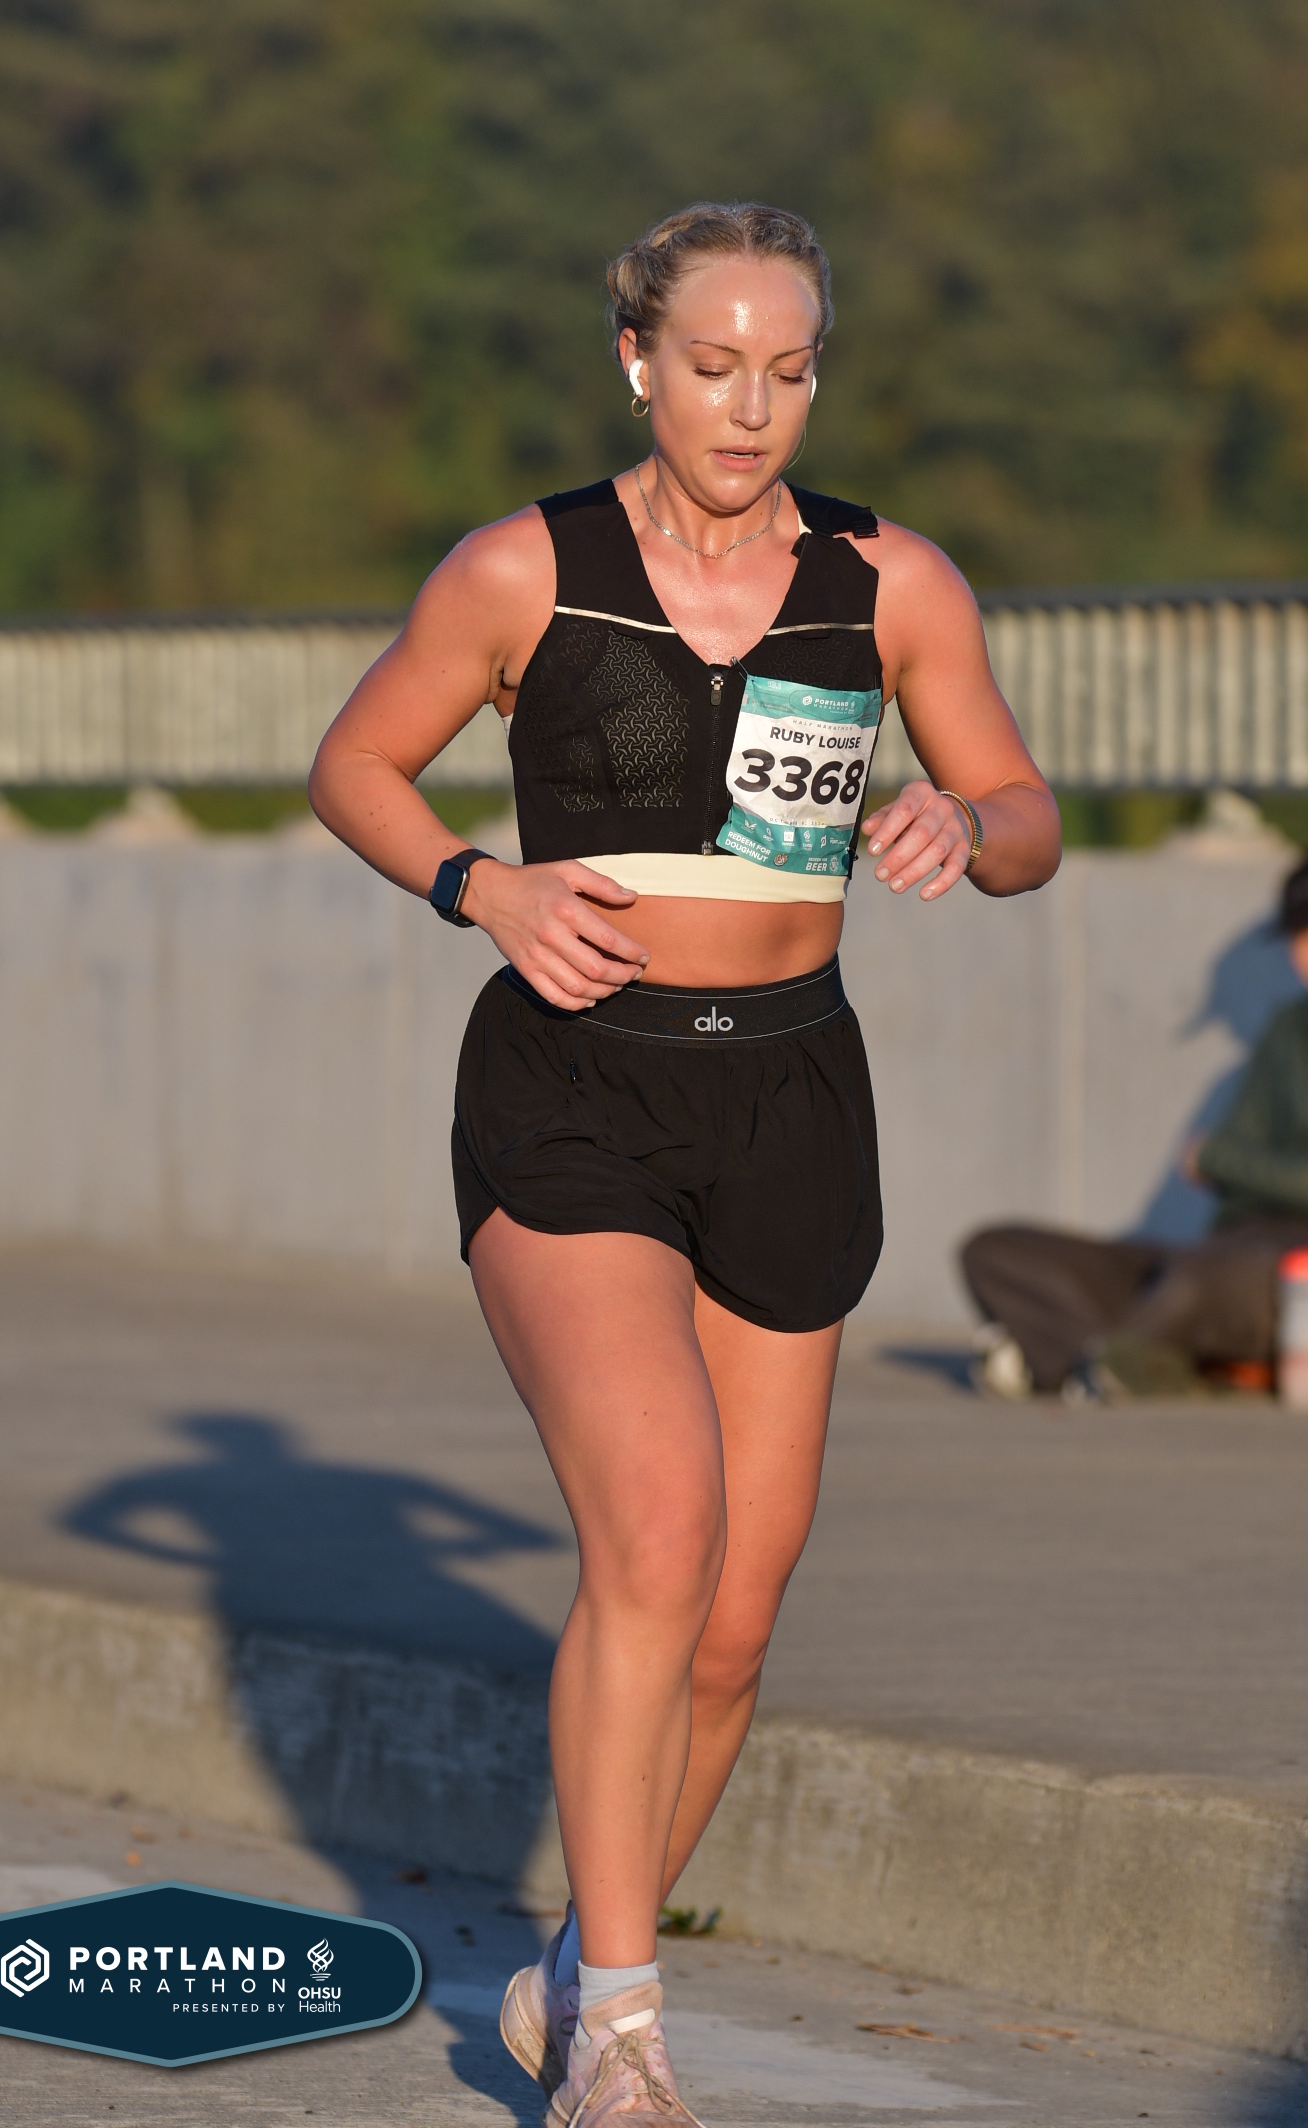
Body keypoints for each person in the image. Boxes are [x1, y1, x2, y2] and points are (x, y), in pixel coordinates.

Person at [309, 201, 1059, 2126]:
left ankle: (580, 1961)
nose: (748, 406)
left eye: (785, 370)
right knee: (651, 1531)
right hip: (572, 1088)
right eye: (711, 364)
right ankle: (624, 2040)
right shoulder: (520, 568)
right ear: (634, 357)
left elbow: (1023, 810)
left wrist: (962, 823)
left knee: (730, 1618)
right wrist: (478, 886)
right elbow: (355, 764)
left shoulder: (887, 579)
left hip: (789, 1089)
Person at [964, 856, 1308, 1402]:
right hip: (1223, 1246)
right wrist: (1230, 1163)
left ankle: (1081, 1360)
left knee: (1198, 1284)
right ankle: (1130, 1362)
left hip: (1280, 1266)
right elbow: (1234, 1156)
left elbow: (1216, 1158)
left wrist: (1218, 1159)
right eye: (1297, 939)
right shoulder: (1289, 1027)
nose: (1299, 957)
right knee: (995, 1251)